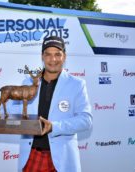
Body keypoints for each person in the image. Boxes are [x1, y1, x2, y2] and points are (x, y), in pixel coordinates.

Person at [10, 36, 92, 172]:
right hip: (32, 155)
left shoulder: (77, 84)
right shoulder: (28, 83)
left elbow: (86, 120)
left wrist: (54, 127)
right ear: (42, 56)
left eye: (57, 54)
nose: (52, 60)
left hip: (62, 160)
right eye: (48, 54)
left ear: (64, 56)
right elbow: (13, 110)